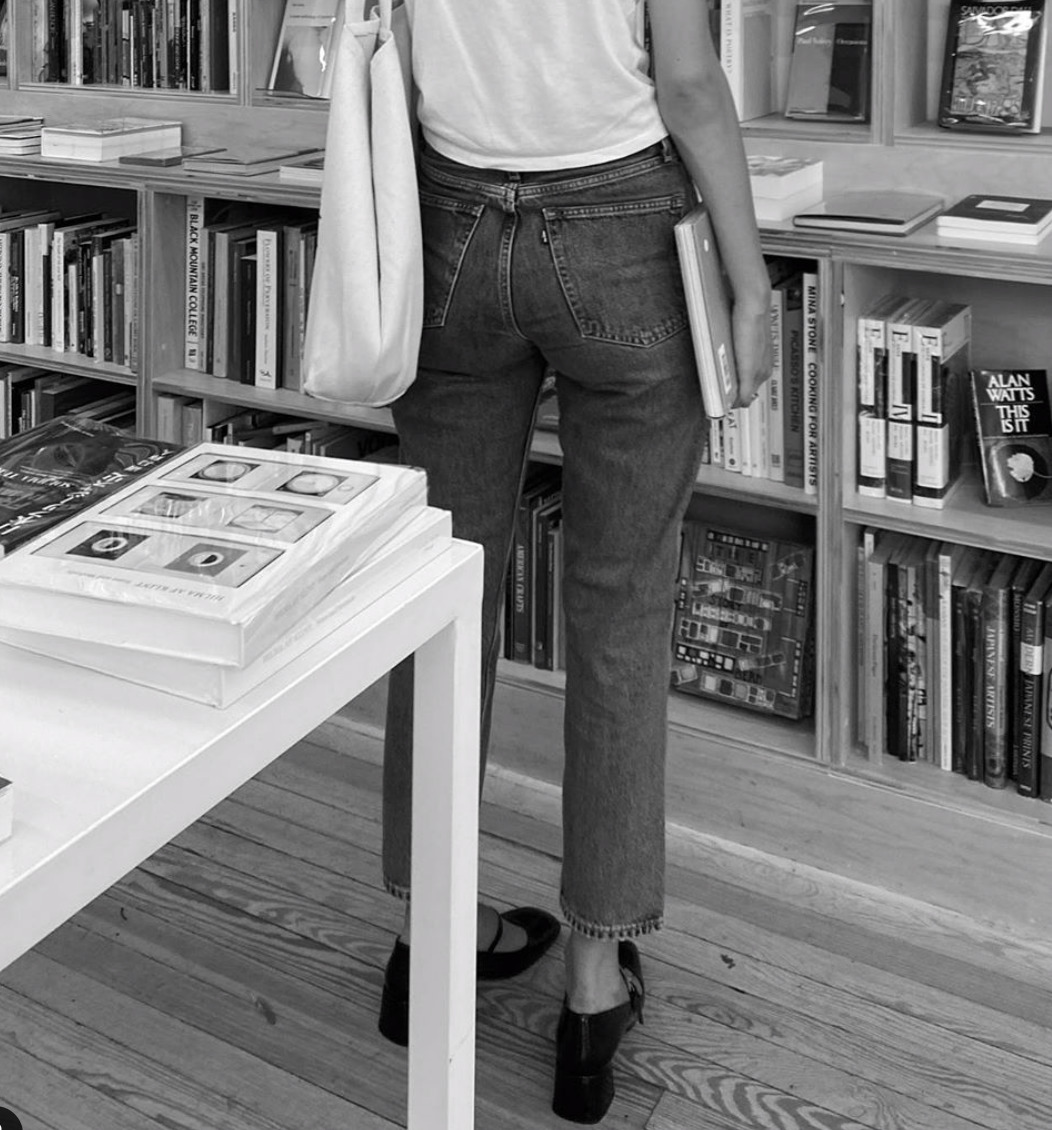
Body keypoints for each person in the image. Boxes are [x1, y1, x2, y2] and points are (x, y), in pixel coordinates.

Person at [376, 0, 772, 1121]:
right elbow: (687, 84)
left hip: (450, 222)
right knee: (619, 607)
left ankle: (428, 939)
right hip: (621, 230)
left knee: (440, 596)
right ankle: (594, 989)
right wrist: (749, 280)